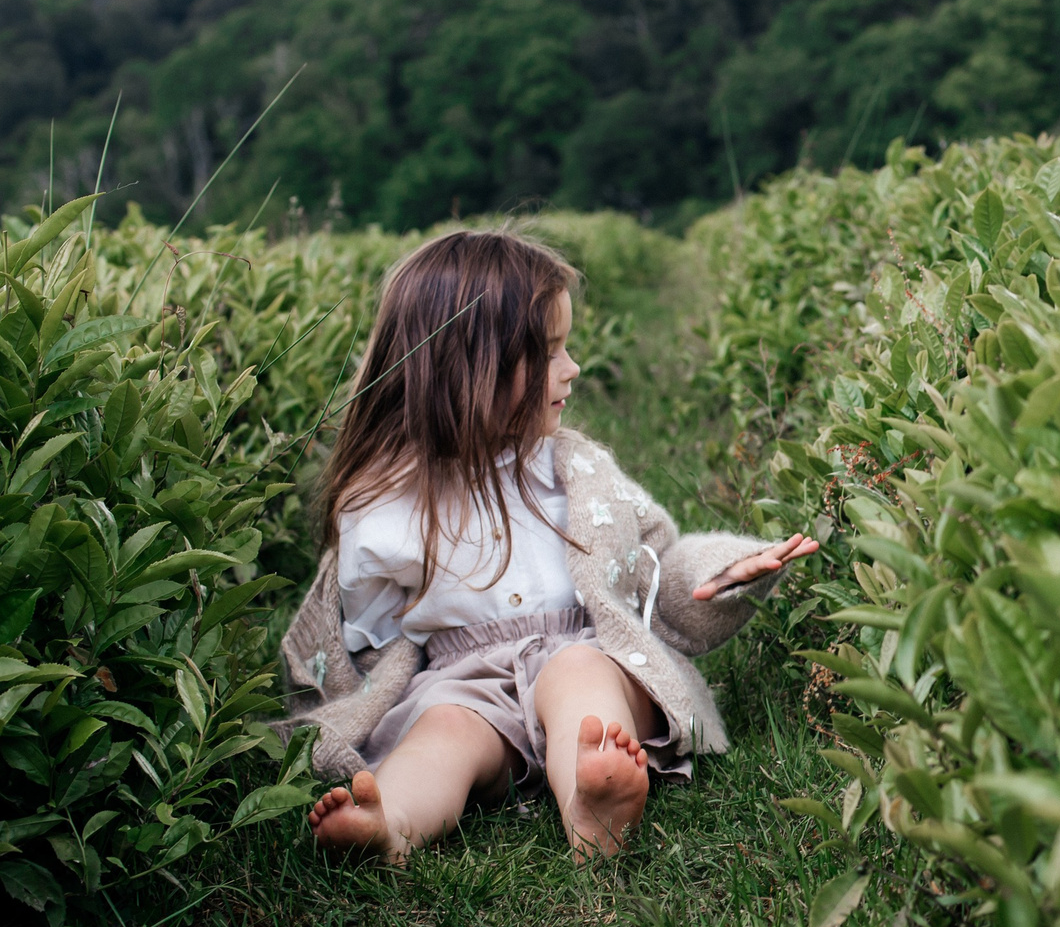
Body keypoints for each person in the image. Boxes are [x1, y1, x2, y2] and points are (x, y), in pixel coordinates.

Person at [278, 228, 817, 863]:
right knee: (442, 731)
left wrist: (722, 569)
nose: (573, 369)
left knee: (579, 681)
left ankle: (589, 800)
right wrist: (363, 695)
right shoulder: (387, 505)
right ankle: (388, 823)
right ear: (470, 371)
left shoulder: (573, 472)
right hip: (464, 682)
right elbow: (369, 639)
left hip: (583, 647)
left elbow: (650, 566)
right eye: (551, 353)